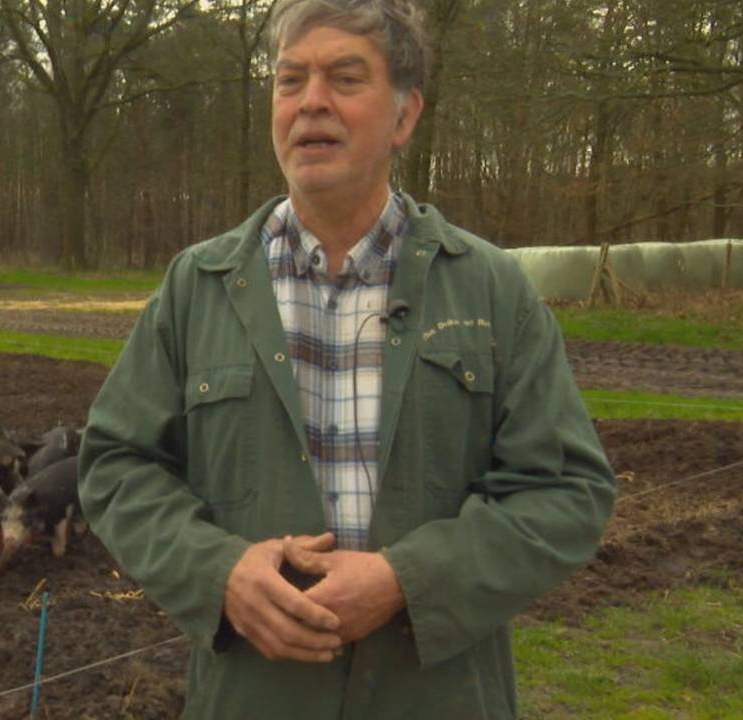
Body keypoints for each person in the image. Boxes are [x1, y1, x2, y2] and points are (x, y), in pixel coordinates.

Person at [77, 0, 617, 717]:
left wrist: (407, 581)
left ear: (404, 115)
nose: (311, 103)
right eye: (290, 79)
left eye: (344, 77)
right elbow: (116, 464)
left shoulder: (490, 288)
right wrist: (219, 573)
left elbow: (567, 492)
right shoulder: (196, 288)